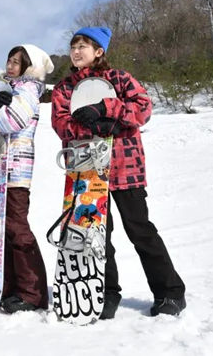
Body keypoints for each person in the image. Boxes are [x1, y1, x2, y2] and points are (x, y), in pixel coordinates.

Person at [50, 27, 187, 318]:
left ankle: (170, 293)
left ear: (99, 51)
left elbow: (143, 108)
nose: (76, 51)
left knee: (140, 229)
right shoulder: (64, 88)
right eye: (73, 47)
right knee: (96, 233)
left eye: (83, 46)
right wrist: (89, 126)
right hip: (86, 169)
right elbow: (60, 124)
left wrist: (107, 109)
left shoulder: (119, 78)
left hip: (126, 165)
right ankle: (106, 293)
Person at [0, 44, 55, 313]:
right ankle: (6, 286)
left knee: (17, 228)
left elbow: (10, 121)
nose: (11, 65)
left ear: (30, 66)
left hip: (16, 169)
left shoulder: (29, 89)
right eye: (9, 60)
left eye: (17, 61)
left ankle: (33, 292)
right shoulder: (2, 86)